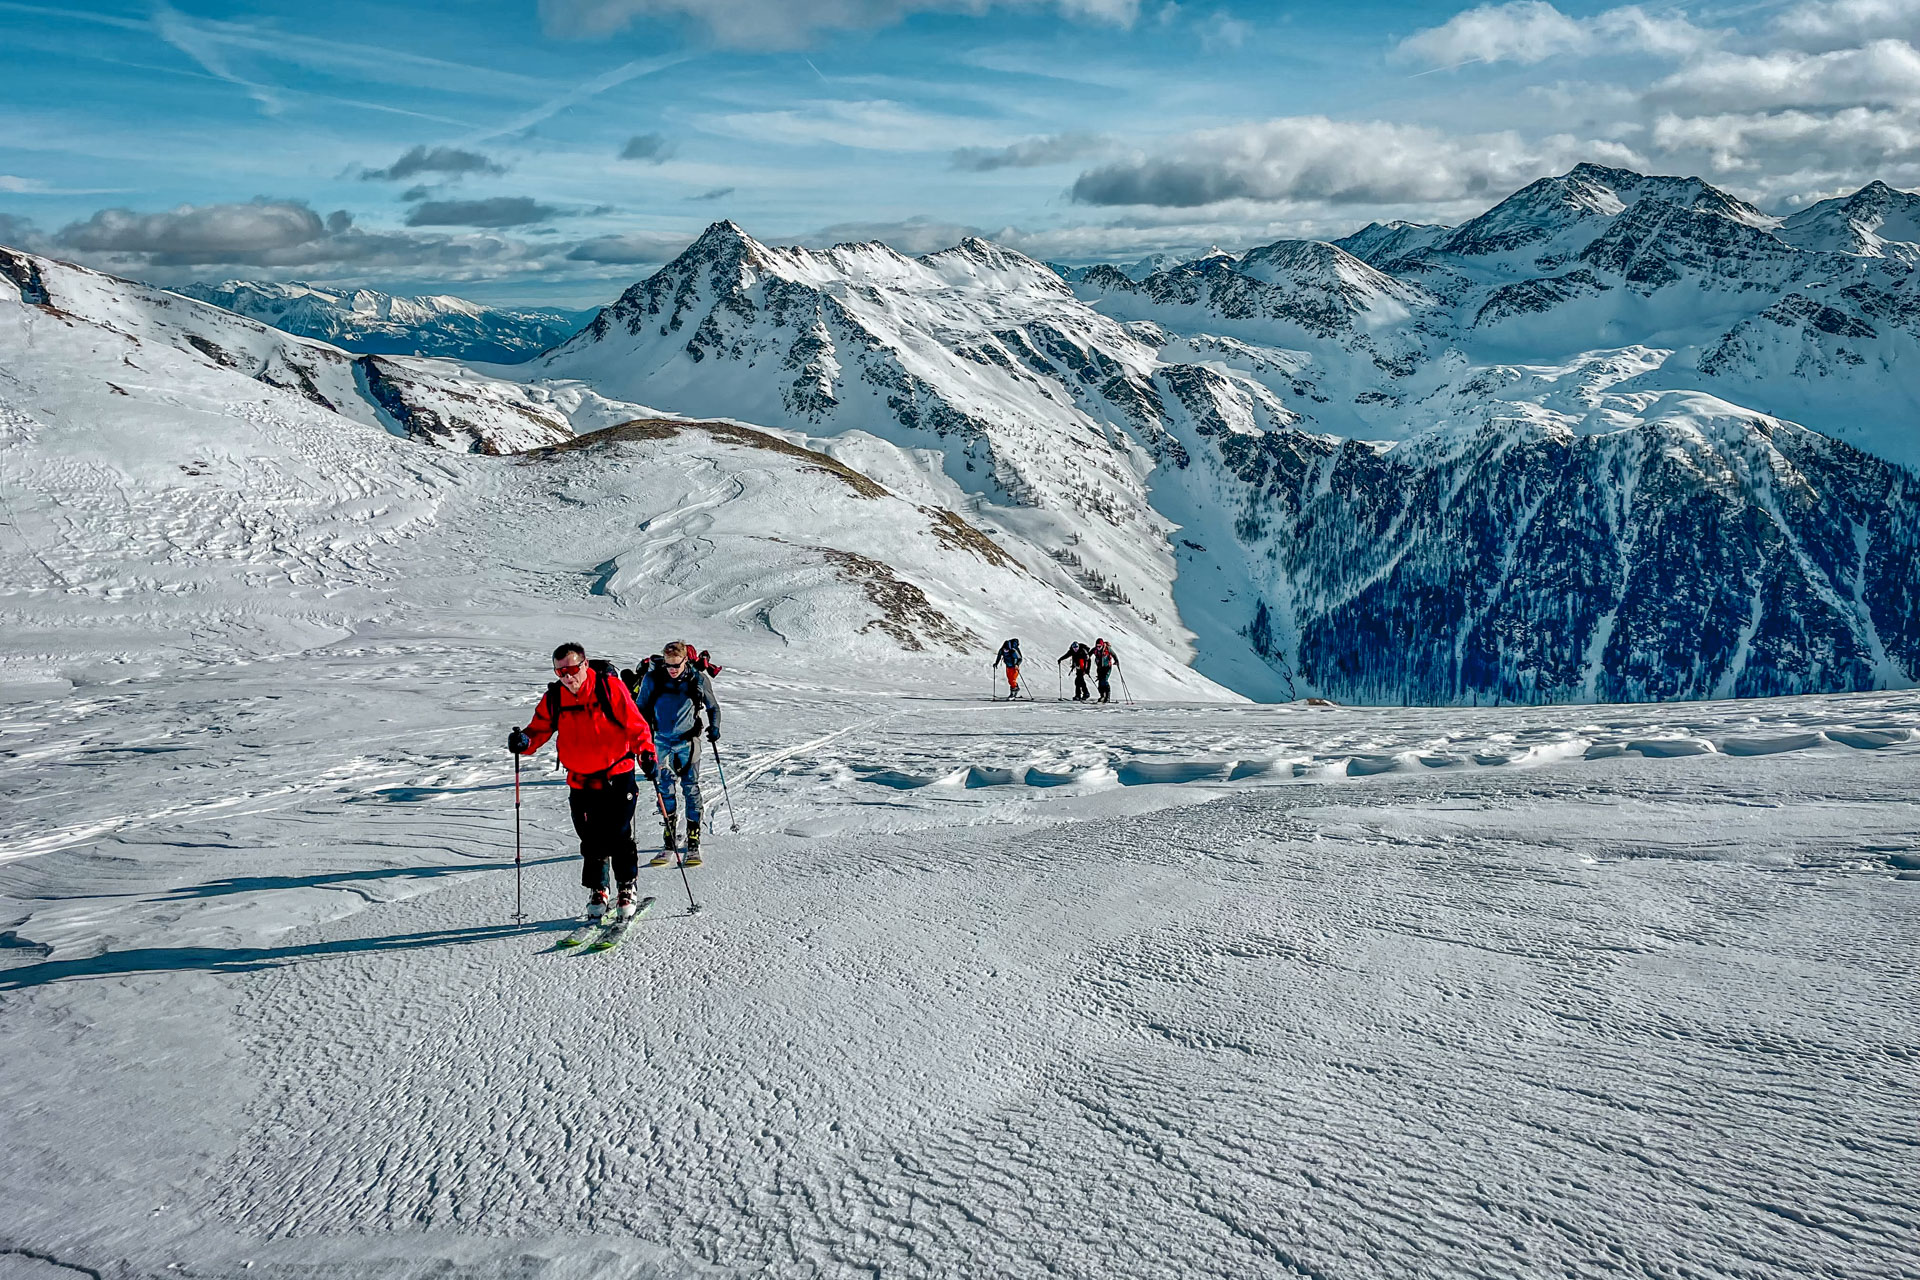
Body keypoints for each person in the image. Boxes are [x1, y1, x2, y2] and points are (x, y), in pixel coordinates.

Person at [508, 643, 656, 921]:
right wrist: (524, 742)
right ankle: (598, 889)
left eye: (572, 669)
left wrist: (646, 753)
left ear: (585, 665)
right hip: (580, 780)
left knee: (618, 833)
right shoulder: (555, 698)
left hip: (617, 775)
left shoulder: (609, 689)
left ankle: (627, 885)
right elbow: (538, 729)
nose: (567, 676)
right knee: (590, 838)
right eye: (560, 671)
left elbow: (636, 724)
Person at [635, 640, 721, 866]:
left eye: (676, 664)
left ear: (685, 660)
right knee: (664, 787)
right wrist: (640, 740)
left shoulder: (698, 680)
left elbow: (713, 707)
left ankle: (693, 836)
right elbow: (640, 710)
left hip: (687, 742)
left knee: (690, 787)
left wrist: (714, 727)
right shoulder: (653, 679)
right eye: (668, 665)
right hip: (660, 742)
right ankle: (670, 834)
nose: (672, 669)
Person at [1092, 637, 1120, 703]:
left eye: (1099, 646)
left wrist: (1116, 661)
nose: (1098, 647)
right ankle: (1102, 696)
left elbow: (1114, 654)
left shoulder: (1108, 649)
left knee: (1105, 680)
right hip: (1100, 668)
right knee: (1100, 682)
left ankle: (1107, 697)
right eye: (1097, 646)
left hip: (1107, 667)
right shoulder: (1095, 650)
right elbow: (1088, 654)